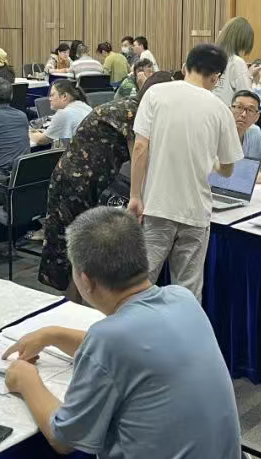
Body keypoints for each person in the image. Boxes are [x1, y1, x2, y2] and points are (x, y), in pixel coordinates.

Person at [3, 207, 241, 459]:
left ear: (85, 280)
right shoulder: (182, 299)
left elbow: (64, 438)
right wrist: (54, 335)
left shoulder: (109, 339)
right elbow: (135, 348)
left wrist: (26, 379)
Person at [38, 72, 173, 293]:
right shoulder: (133, 112)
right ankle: (74, 308)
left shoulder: (132, 107)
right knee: (74, 252)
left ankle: (80, 304)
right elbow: (139, 157)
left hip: (88, 179)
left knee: (82, 250)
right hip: (76, 182)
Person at [130, 44, 243, 299]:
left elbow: (140, 147)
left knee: (138, 285)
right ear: (216, 77)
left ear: (184, 67)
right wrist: (211, 162)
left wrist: (135, 195)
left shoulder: (155, 93)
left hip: (157, 206)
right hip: (196, 212)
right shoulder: (221, 109)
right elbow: (227, 169)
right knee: (187, 291)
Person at [212, 16, 261, 104]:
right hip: (228, 110)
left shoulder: (211, 56)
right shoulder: (236, 62)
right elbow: (246, 96)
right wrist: (249, 76)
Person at [31, 80, 91, 146]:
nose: (49, 99)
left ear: (64, 96)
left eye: (52, 95)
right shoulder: (85, 106)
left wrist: (27, 133)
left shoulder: (63, 113)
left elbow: (41, 140)